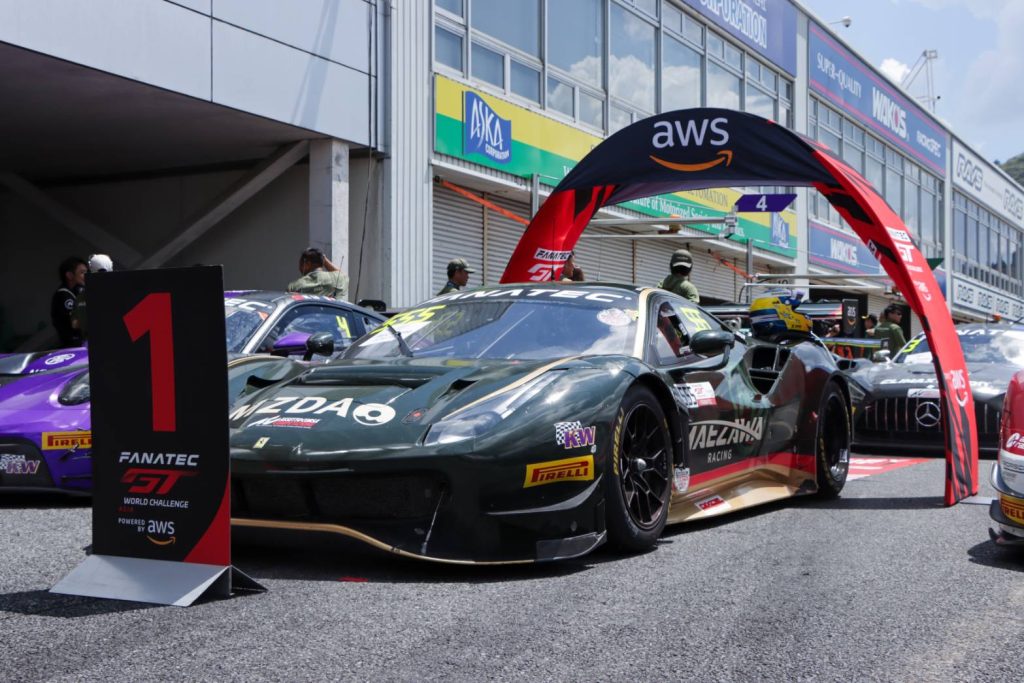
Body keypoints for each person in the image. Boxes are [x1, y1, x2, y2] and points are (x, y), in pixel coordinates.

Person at [70, 253, 114, 342]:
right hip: (111, 338)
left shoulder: (83, 295)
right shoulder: (119, 289)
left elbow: (75, 324)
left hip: (94, 340)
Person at [51, 256, 87, 347]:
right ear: (69, 275)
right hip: (73, 344)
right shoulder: (64, 295)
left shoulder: (78, 292)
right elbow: (74, 323)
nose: (86, 276)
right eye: (82, 272)